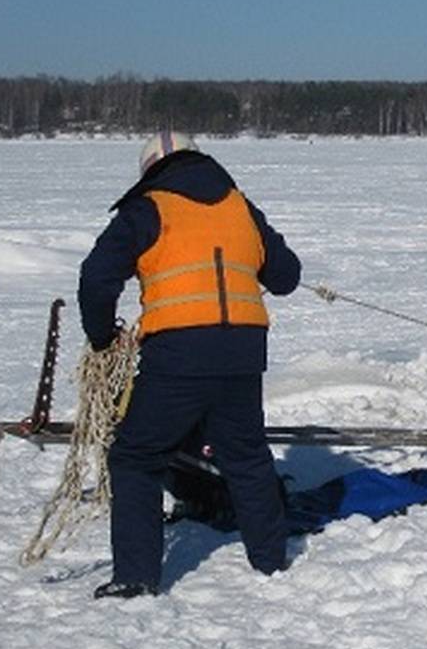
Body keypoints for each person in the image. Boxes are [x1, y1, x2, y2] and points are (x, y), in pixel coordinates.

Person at [79, 131, 301, 599]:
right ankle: (271, 561)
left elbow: (96, 278)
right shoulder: (239, 206)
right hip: (243, 353)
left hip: (177, 354)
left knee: (136, 457)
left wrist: (102, 337)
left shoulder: (148, 207)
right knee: (246, 457)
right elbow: (286, 275)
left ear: (151, 170)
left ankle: (136, 576)